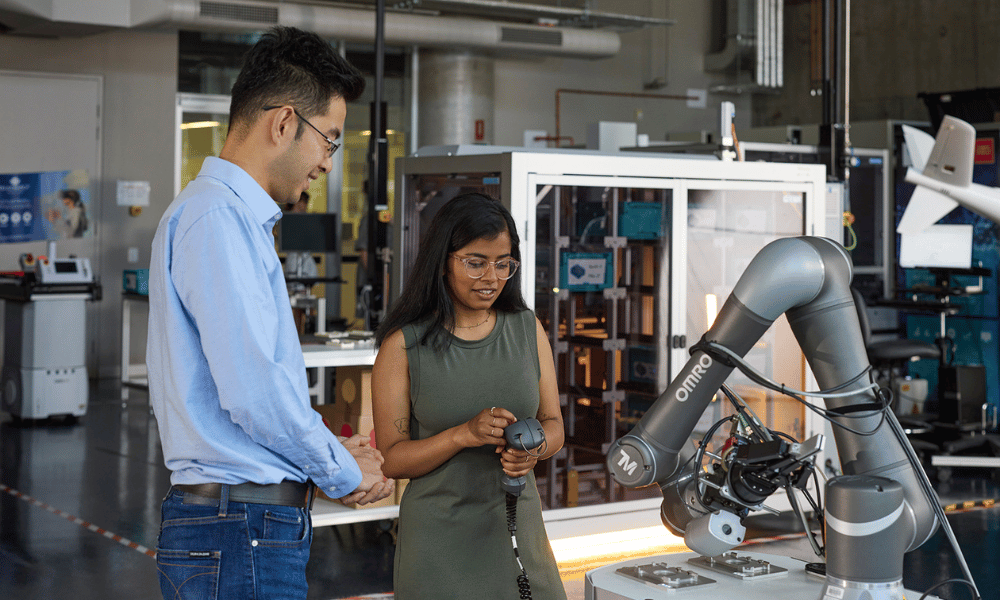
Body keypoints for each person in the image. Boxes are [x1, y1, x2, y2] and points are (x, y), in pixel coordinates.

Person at [147, 26, 393, 600]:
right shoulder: (217, 219)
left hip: (244, 527)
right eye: (329, 141)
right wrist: (343, 470)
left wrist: (329, 454)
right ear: (283, 123)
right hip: (240, 532)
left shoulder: (233, 220)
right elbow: (254, 391)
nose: (329, 164)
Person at [372, 192, 568, 600]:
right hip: (439, 548)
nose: (492, 277)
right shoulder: (404, 346)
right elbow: (392, 460)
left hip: (519, 533)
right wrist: (462, 434)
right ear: (443, 261)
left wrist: (532, 450)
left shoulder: (526, 328)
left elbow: (555, 427)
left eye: (503, 264)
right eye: (476, 263)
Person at [283, 191, 319, 295]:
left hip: (306, 260)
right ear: (297, 202)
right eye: (303, 202)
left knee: (306, 295)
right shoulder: (287, 219)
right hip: (295, 261)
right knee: (297, 295)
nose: (305, 205)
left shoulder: (307, 219)